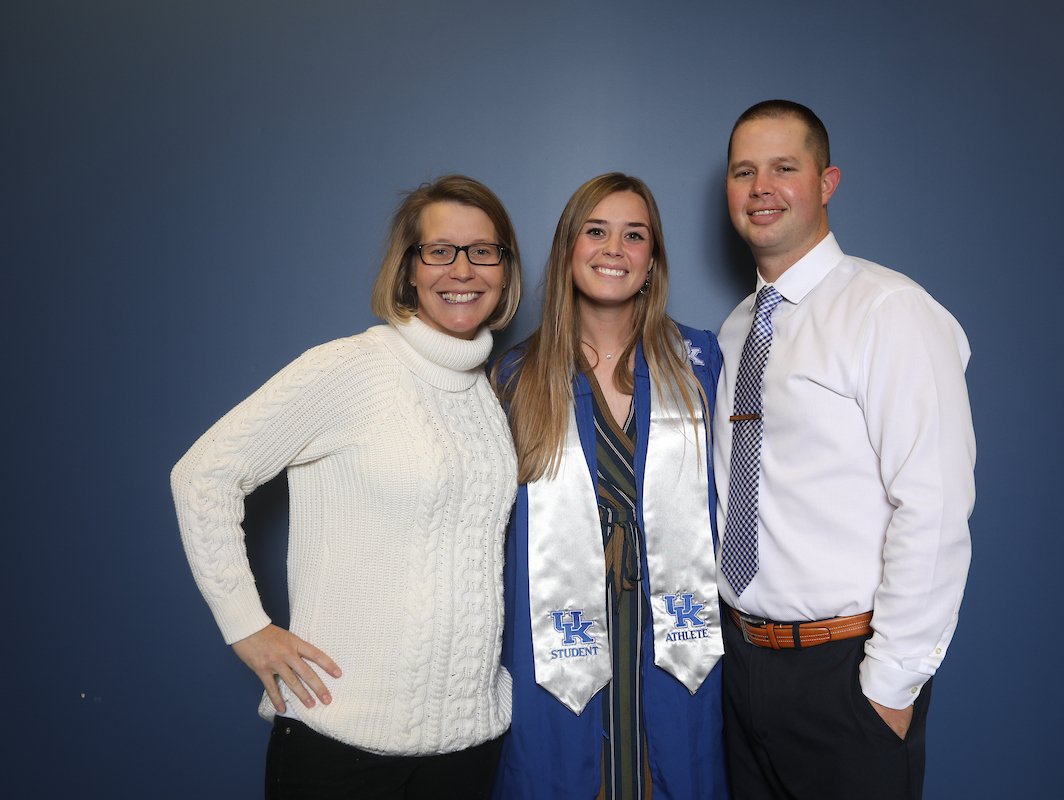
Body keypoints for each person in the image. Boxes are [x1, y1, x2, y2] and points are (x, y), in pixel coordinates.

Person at [170, 175, 523, 799]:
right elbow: (202, 475)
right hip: (341, 742)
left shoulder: (486, 393)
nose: (462, 269)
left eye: (483, 251)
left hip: (468, 744)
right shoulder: (351, 368)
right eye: (440, 250)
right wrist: (246, 626)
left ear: (504, 269)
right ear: (409, 269)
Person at [714, 100, 976, 799]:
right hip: (741, 668)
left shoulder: (889, 310)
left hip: (845, 674)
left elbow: (935, 506)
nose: (761, 188)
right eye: (744, 172)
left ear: (826, 183)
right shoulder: (735, 331)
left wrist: (889, 687)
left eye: (784, 168)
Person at [490, 173, 728, 800]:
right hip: (559, 631)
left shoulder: (699, 363)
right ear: (568, 247)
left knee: (672, 768)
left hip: (671, 627)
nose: (614, 249)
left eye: (634, 235)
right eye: (596, 231)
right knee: (564, 772)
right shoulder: (516, 376)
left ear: (652, 261)